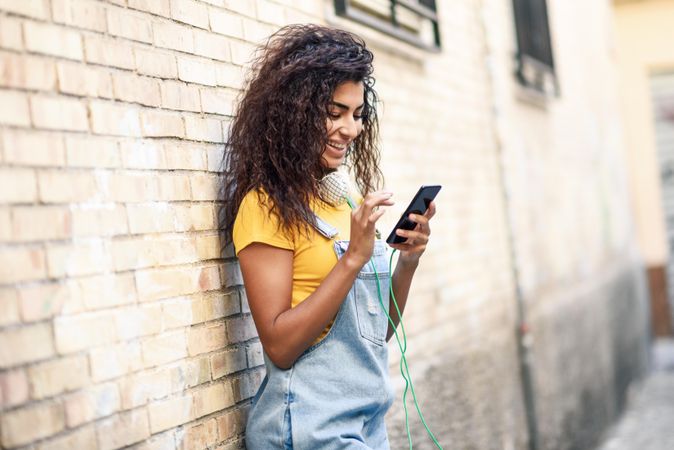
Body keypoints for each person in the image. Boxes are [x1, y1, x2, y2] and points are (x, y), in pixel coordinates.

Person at [219, 24, 436, 449]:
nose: (350, 129)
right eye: (334, 113)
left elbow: (377, 332)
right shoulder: (265, 208)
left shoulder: (344, 198)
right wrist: (352, 258)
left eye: (357, 114)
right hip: (308, 428)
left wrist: (408, 261)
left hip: (366, 427)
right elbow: (280, 346)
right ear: (295, 111)